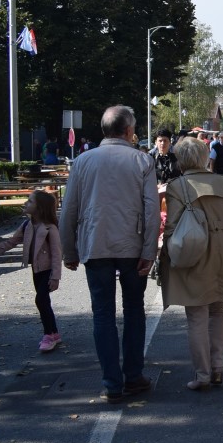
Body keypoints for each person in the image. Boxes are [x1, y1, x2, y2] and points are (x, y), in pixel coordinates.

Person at [60, 105, 160, 404]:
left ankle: (111, 383)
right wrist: (149, 250)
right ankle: (133, 376)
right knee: (134, 309)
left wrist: (69, 249)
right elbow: (152, 210)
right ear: (129, 131)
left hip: (95, 243)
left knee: (102, 314)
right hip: (132, 244)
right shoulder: (142, 160)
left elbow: (69, 210)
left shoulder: (83, 161)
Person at [160, 138, 223, 391]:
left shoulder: (177, 186)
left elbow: (172, 227)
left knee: (196, 315)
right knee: (217, 309)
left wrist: (168, 256)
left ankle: (202, 374)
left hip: (193, 253)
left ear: (181, 159)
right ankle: (218, 368)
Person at [0, 190, 63, 353]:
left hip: (48, 270)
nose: (25, 203)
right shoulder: (27, 226)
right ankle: (55, 333)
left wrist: (56, 276)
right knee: (44, 302)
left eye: (30, 201)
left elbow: (57, 254)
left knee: (40, 300)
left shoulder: (50, 228)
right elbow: (11, 242)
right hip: (36, 269)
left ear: (40, 208)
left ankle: (48, 335)